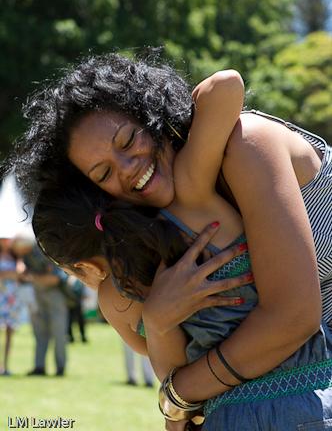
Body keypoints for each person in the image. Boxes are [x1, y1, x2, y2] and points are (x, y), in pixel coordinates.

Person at [2, 52, 332, 427]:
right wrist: (159, 322)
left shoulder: (246, 144)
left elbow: (292, 317)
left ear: (150, 114)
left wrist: (178, 396)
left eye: (128, 141)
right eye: (104, 172)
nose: (128, 168)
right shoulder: (168, 227)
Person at [23, 245, 68, 377]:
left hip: (56, 297)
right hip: (39, 296)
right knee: (40, 332)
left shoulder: (46, 251)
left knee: (58, 333)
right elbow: (25, 274)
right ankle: (39, 367)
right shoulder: (28, 255)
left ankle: (60, 368)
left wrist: (34, 277)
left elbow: (54, 279)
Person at [0, 236, 21, 376]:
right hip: (1, 297)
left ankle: (5, 365)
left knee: (9, 331)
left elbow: (21, 273)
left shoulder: (16, 256)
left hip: (12, 298)